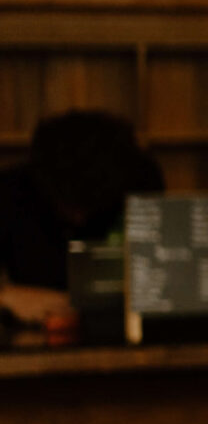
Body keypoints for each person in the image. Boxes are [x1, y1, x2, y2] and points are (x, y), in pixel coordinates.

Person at [0, 110, 163, 328]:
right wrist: (7, 296)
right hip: (37, 330)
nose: (79, 219)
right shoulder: (12, 192)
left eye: (91, 207)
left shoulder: (139, 183)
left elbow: (164, 271)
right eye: (67, 206)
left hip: (121, 326)